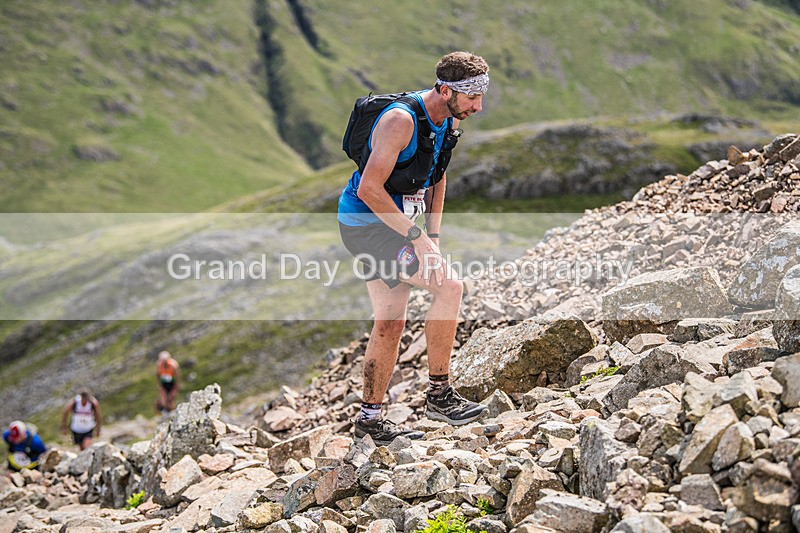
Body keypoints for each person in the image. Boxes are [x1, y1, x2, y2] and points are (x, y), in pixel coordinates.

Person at [337, 51, 490, 444]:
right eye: (472, 97)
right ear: (445, 90)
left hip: (395, 224)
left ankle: (369, 420)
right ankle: (440, 396)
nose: (478, 107)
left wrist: (432, 237)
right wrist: (416, 238)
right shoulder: (400, 121)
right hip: (367, 224)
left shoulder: (449, 118)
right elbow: (370, 189)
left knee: (390, 321)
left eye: (481, 97)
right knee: (450, 286)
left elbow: (438, 177)